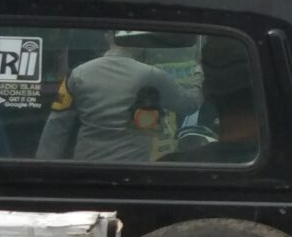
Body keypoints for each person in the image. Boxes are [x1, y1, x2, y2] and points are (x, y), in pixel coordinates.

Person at [37, 34, 196, 162]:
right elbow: (188, 104)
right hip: (132, 174)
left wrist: (41, 174)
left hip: (85, 169)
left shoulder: (78, 74)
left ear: (107, 37)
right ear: (141, 40)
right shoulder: (152, 75)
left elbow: (56, 126)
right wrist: (200, 78)